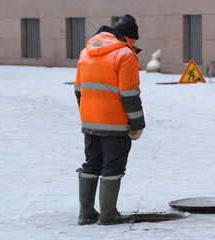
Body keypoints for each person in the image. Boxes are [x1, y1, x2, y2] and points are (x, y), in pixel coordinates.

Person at [74, 14, 145, 225]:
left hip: (90, 121)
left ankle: (86, 213)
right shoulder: (125, 54)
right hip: (115, 122)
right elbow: (130, 94)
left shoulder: (86, 52)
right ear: (129, 37)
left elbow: (78, 90)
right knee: (113, 166)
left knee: (91, 163)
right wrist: (137, 124)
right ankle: (108, 214)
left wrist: (88, 114)